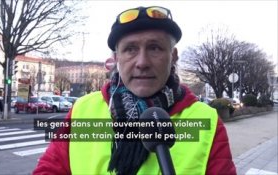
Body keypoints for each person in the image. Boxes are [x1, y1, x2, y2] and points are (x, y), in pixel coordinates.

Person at [33, 6, 236, 174]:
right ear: (116, 59)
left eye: (155, 48)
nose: (142, 62)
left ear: (173, 56)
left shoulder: (206, 121)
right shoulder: (83, 109)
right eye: (130, 49)